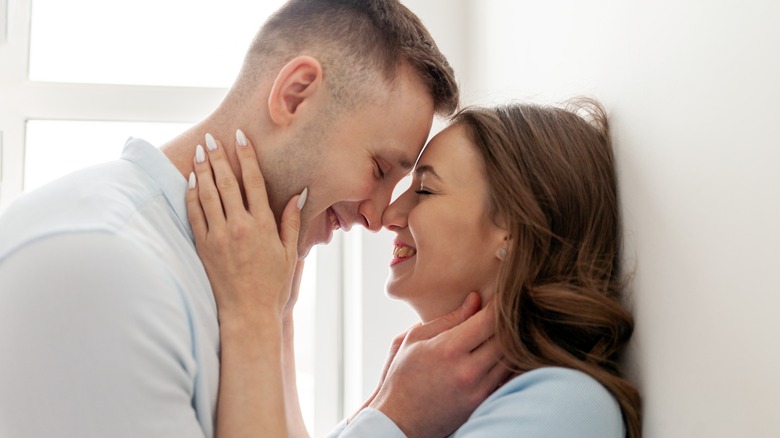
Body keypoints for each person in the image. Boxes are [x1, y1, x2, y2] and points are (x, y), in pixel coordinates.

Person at [0, 1, 507, 437]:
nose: (377, 217)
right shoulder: (101, 267)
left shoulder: (242, 280)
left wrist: (275, 319)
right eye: (378, 168)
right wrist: (395, 418)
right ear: (295, 94)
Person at [188, 98, 643, 437]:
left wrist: (393, 413)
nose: (388, 216)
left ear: (516, 227)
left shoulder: (566, 409)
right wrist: (279, 314)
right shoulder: (463, 402)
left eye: (424, 191)